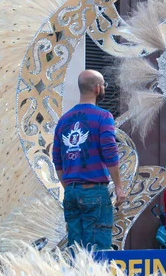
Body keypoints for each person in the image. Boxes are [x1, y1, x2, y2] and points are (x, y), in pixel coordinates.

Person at [52, 69, 126, 250]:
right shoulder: (103, 117)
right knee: (99, 252)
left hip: (71, 193)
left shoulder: (63, 121)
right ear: (98, 88)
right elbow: (109, 150)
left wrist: (69, 187)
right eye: (104, 86)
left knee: (76, 251)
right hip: (94, 192)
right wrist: (118, 186)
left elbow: (57, 160)